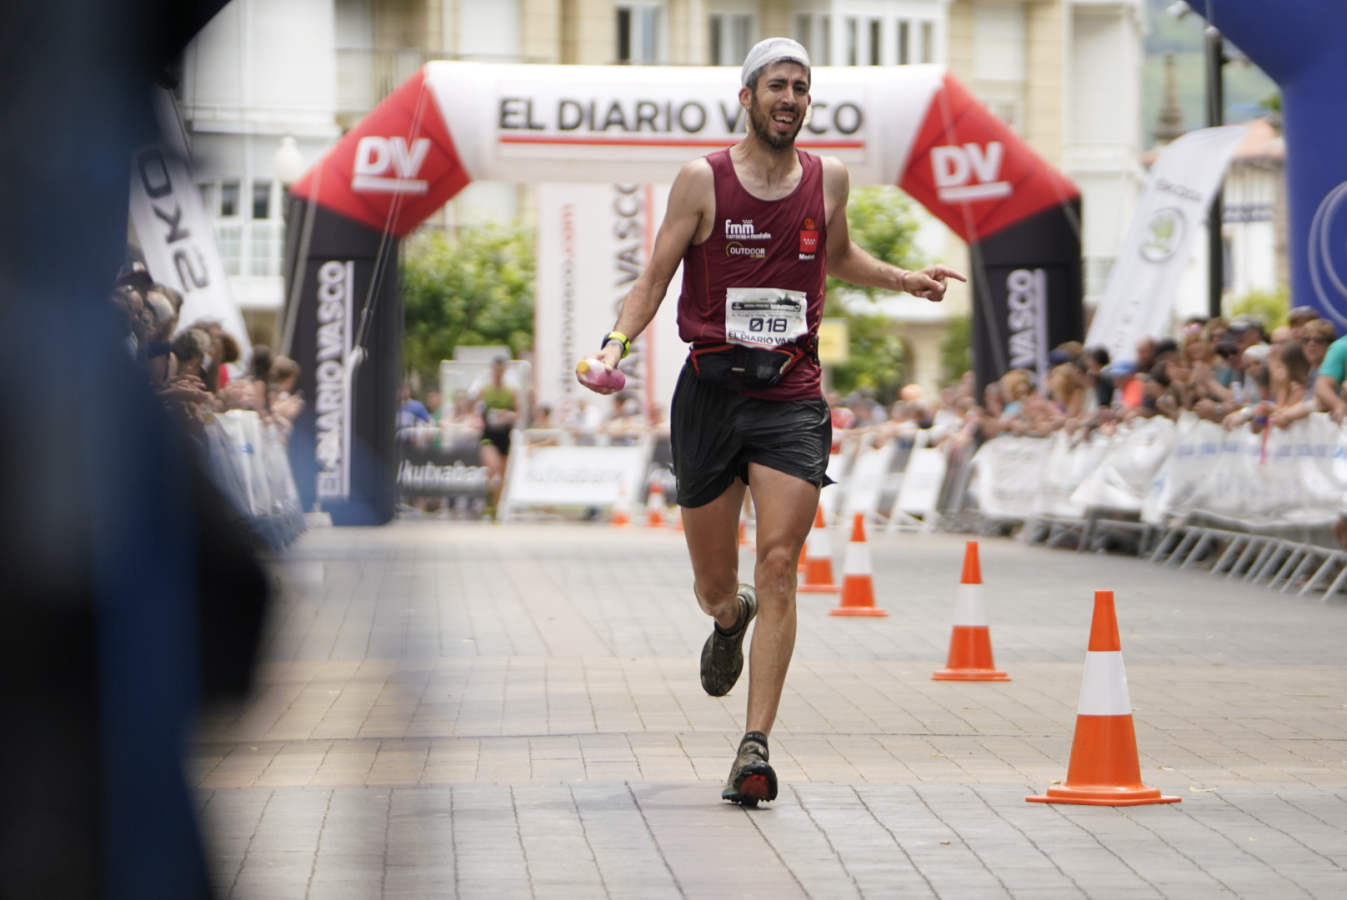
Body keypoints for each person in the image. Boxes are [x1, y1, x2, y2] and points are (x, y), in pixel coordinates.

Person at [574, 36, 964, 807]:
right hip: (711, 392)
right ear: (747, 98)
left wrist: (904, 280)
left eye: (801, 89)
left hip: (791, 391)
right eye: (777, 86)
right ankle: (728, 620)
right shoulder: (701, 181)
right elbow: (652, 279)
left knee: (779, 561)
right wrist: (614, 344)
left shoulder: (829, 179)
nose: (790, 99)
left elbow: (840, 257)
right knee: (715, 581)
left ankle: (754, 746)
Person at [473, 356, 519, 518]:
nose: (498, 373)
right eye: (496, 370)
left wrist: (509, 415)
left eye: (501, 370)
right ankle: (489, 502)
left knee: (503, 476)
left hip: (504, 435)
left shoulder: (511, 391)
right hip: (489, 435)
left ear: (504, 371)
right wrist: (476, 418)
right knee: (493, 469)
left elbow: (519, 413)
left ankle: (495, 508)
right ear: (493, 370)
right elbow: (472, 405)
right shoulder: (485, 390)